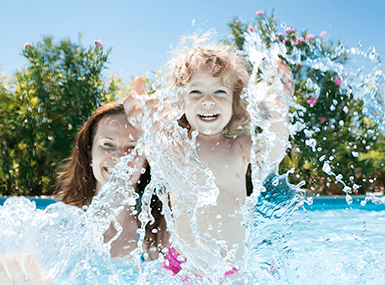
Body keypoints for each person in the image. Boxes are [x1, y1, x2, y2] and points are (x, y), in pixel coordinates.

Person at [124, 41, 294, 280]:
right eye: (196, 92)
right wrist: (141, 119)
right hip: (182, 266)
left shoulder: (239, 146)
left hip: (230, 270)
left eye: (219, 91)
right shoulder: (177, 146)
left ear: (235, 101)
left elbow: (272, 152)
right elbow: (151, 147)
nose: (208, 100)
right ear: (179, 100)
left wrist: (279, 110)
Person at [0, 101, 170, 284]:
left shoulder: (161, 230)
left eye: (132, 147)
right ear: (90, 151)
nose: (120, 157)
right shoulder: (59, 228)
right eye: (107, 144)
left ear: (146, 156)